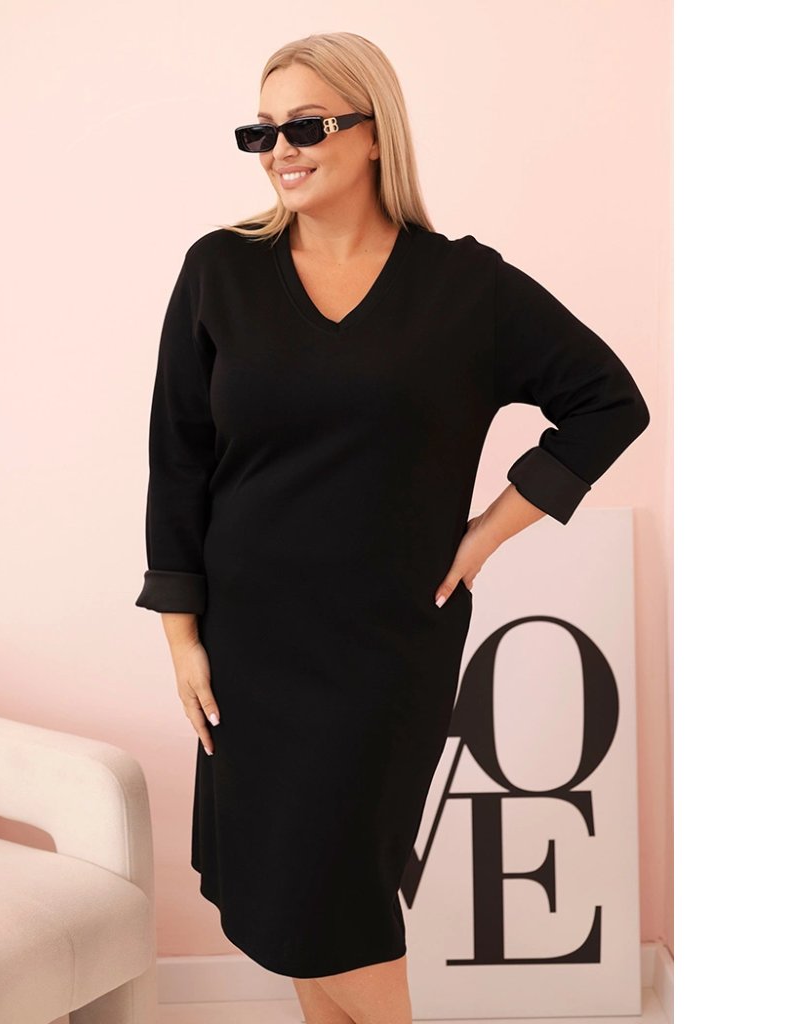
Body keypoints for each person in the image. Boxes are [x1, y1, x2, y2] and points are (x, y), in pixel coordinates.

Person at [134, 31, 650, 1024]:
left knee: (341, 903)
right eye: (262, 132)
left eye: (306, 126)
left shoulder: (464, 288)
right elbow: (178, 457)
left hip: (386, 647)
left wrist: (486, 533)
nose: (281, 150)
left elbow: (607, 402)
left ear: (375, 133)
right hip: (250, 646)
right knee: (292, 901)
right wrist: (180, 634)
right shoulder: (219, 271)